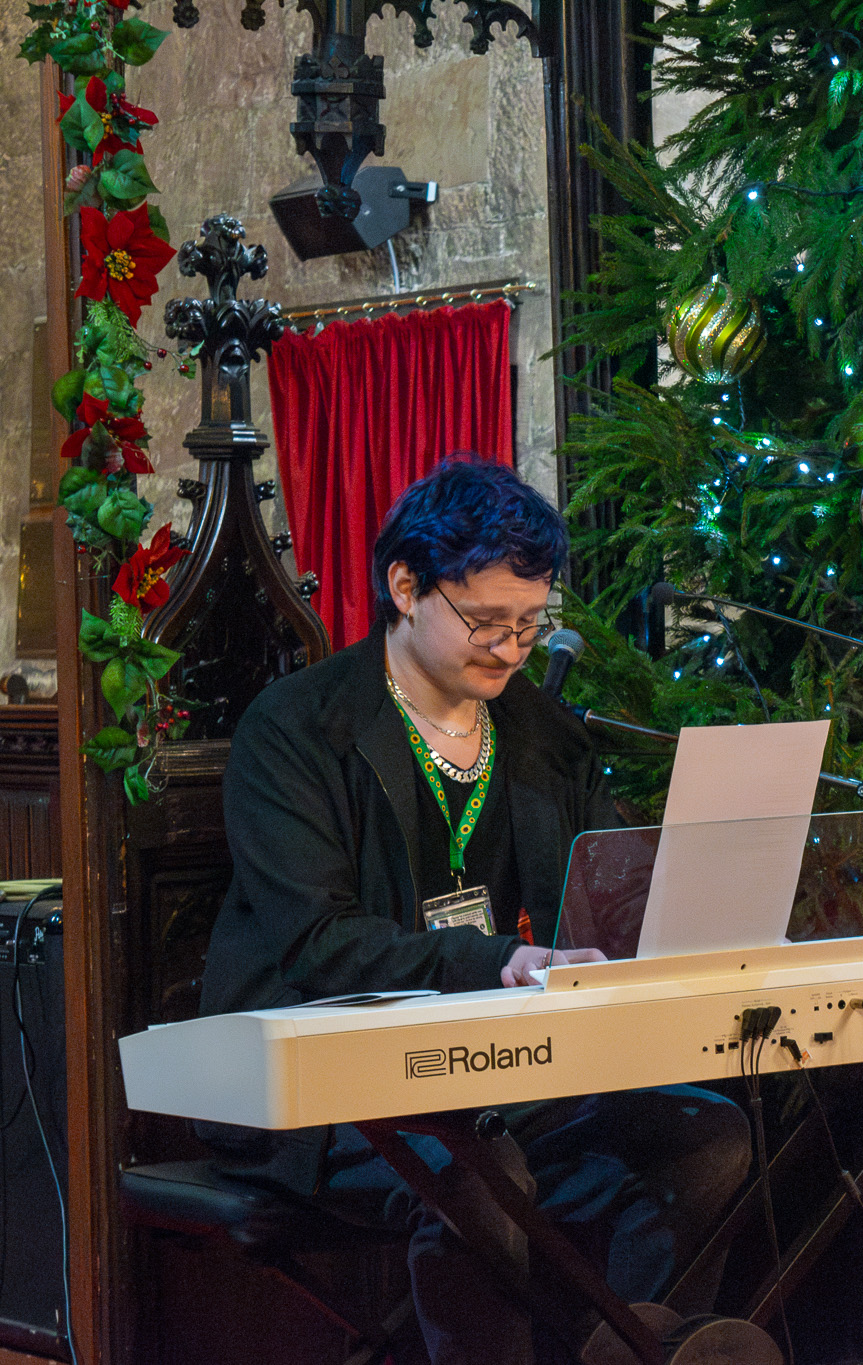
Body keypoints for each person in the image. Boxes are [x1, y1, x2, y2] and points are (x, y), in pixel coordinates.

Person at [198, 459, 750, 1364]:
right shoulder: (298, 729)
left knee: (708, 1137)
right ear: (405, 586)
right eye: (487, 622)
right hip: (318, 1076)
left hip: (496, 1063)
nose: (509, 648)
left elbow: (602, 894)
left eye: (530, 624)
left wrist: (680, 915)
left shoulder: (539, 731)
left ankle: (623, 1347)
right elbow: (315, 939)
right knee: (476, 1172)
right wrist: (494, 961)